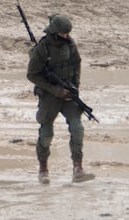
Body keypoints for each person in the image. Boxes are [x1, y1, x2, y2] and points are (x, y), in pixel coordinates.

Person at [28, 13, 95, 184]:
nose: (66, 36)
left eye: (67, 33)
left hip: (68, 94)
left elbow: (77, 63)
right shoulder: (43, 48)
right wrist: (54, 90)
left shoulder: (70, 44)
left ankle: (78, 168)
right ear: (55, 32)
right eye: (63, 33)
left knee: (77, 128)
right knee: (46, 133)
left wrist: (74, 88)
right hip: (50, 96)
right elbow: (32, 75)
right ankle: (43, 170)